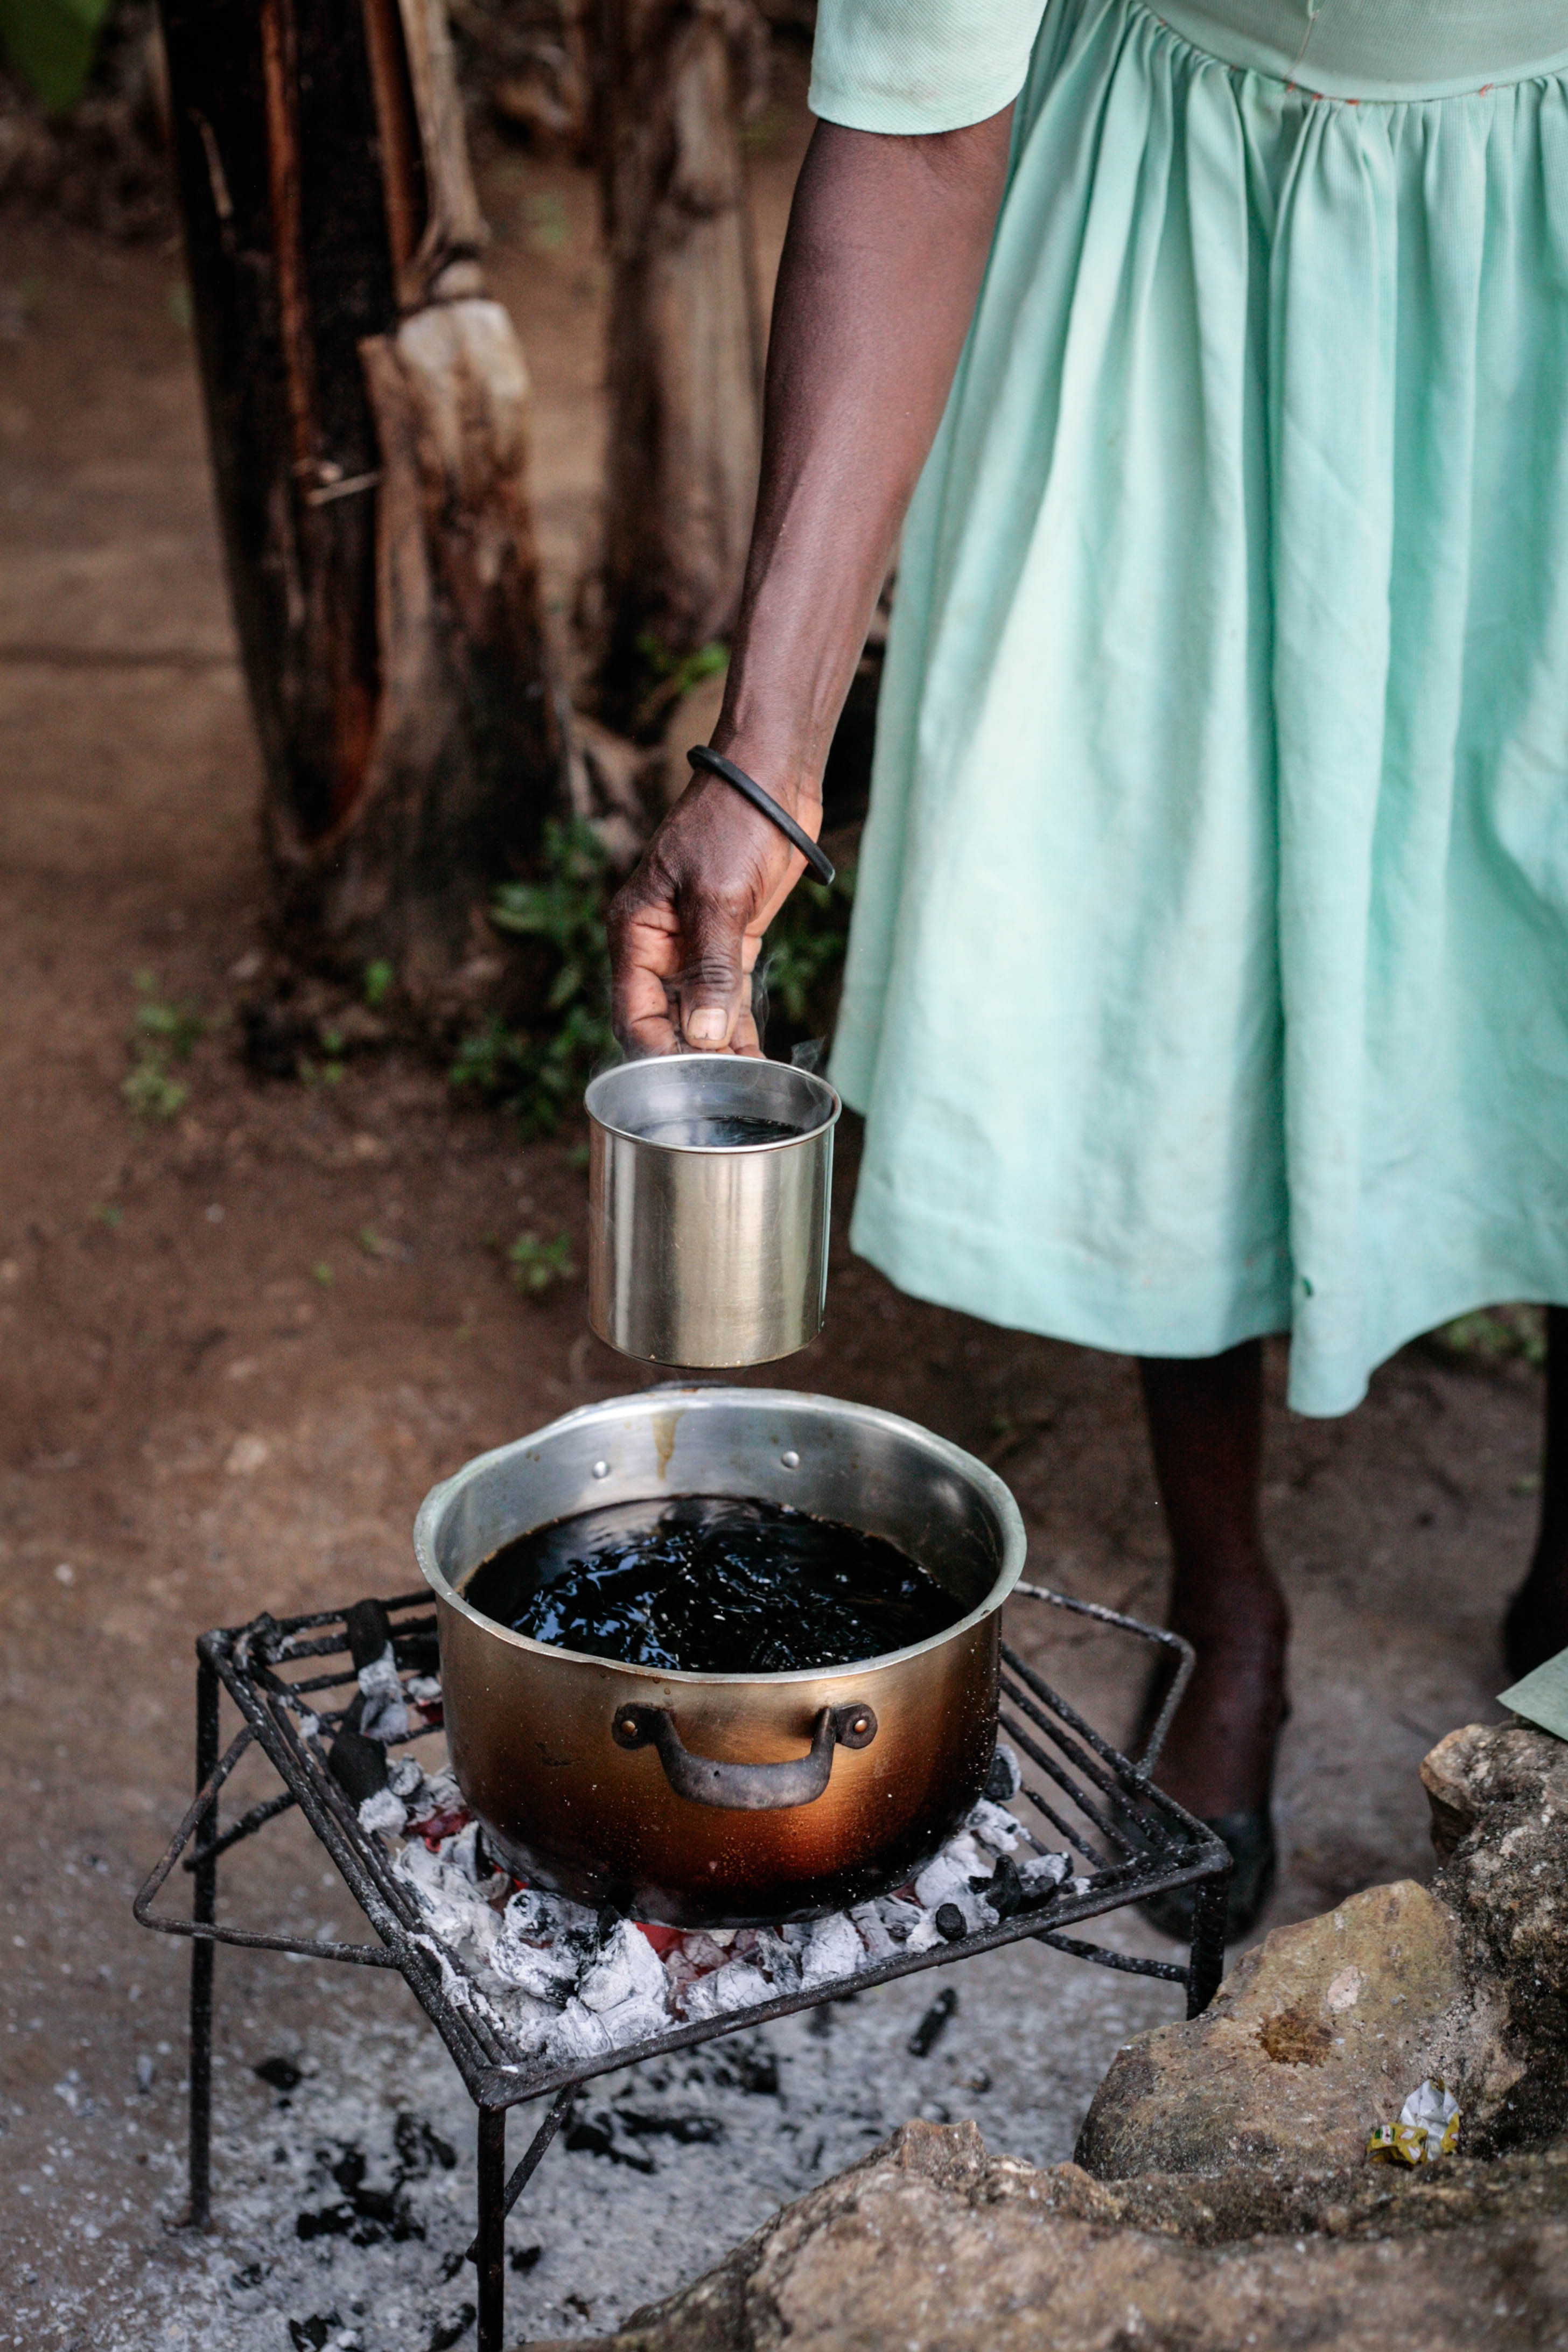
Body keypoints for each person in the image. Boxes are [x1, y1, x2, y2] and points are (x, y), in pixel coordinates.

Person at [607, 0, 1568, 1936]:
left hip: (1540, 253)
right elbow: (919, 120)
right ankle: (1228, 1596)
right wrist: (766, 761)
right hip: (1173, 257)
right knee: (1157, 923)